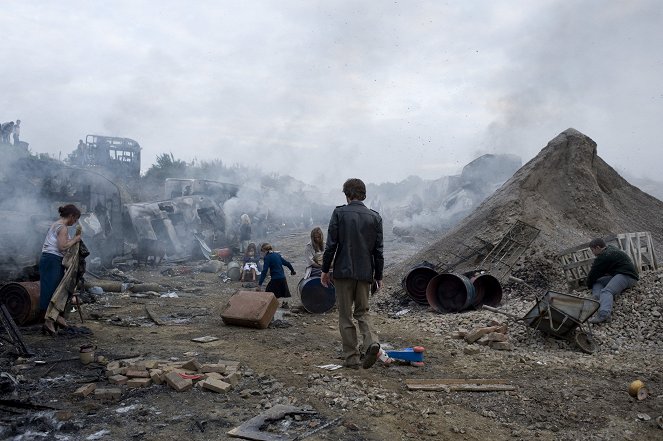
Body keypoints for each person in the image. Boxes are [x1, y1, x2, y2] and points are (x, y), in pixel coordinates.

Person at [321, 178, 384, 370]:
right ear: (363, 194)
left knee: (346, 315)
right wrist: (378, 276)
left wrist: (325, 270)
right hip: (366, 274)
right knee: (363, 312)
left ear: (347, 194)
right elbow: (378, 251)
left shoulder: (339, 213)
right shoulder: (375, 217)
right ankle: (371, 342)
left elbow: (331, 245)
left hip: (343, 272)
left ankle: (352, 358)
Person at [39, 204, 83, 335]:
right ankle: (49, 321)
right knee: (51, 291)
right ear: (71, 216)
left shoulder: (56, 224)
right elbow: (62, 247)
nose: (74, 222)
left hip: (51, 260)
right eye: (75, 219)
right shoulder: (62, 228)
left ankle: (54, 319)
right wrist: (75, 239)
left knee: (54, 289)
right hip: (52, 260)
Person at [586, 238, 639, 324]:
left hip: (628, 276)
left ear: (598, 248)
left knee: (606, 291)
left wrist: (588, 284)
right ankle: (597, 298)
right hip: (620, 274)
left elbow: (593, 274)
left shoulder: (604, 256)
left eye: (592, 250)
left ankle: (604, 315)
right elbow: (596, 276)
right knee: (598, 281)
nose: (592, 253)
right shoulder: (610, 248)